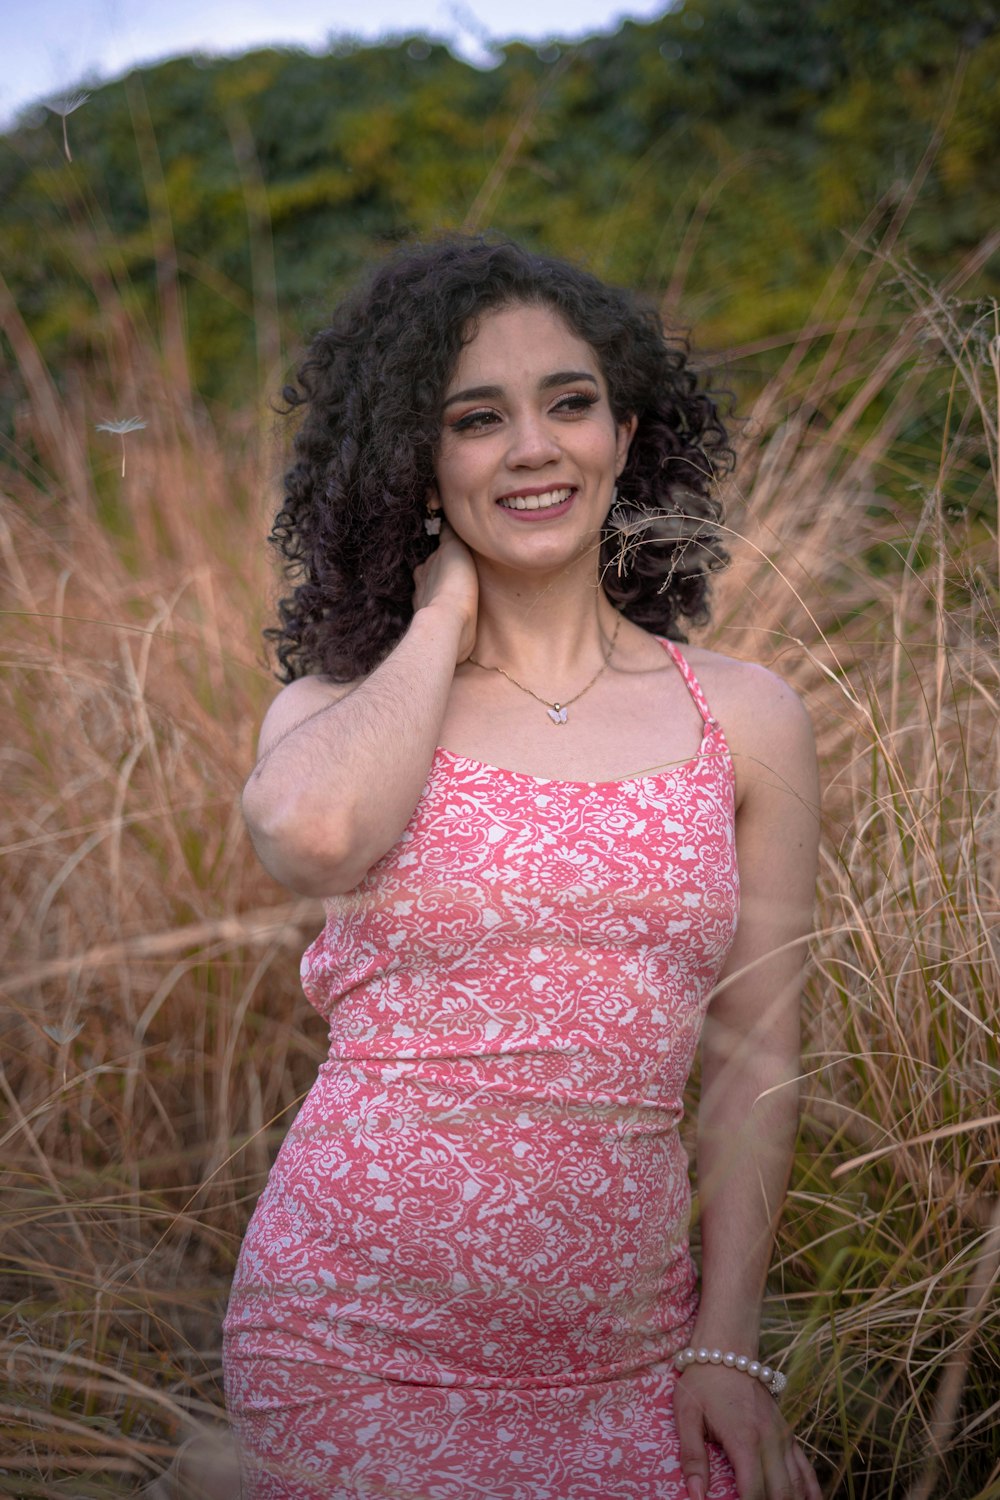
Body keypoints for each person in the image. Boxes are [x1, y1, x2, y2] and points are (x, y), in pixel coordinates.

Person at [222, 235, 822, 1500]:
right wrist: (442, 614)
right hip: (349, 1349)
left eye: (569, 403)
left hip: (637, 1355)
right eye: (475, 420)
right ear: (417, 466)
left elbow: (757, 1059)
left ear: (626, 430)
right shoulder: (342, 709)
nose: (535, 448)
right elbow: (313, 837)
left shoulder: (744, 717)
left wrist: (727, 1345)